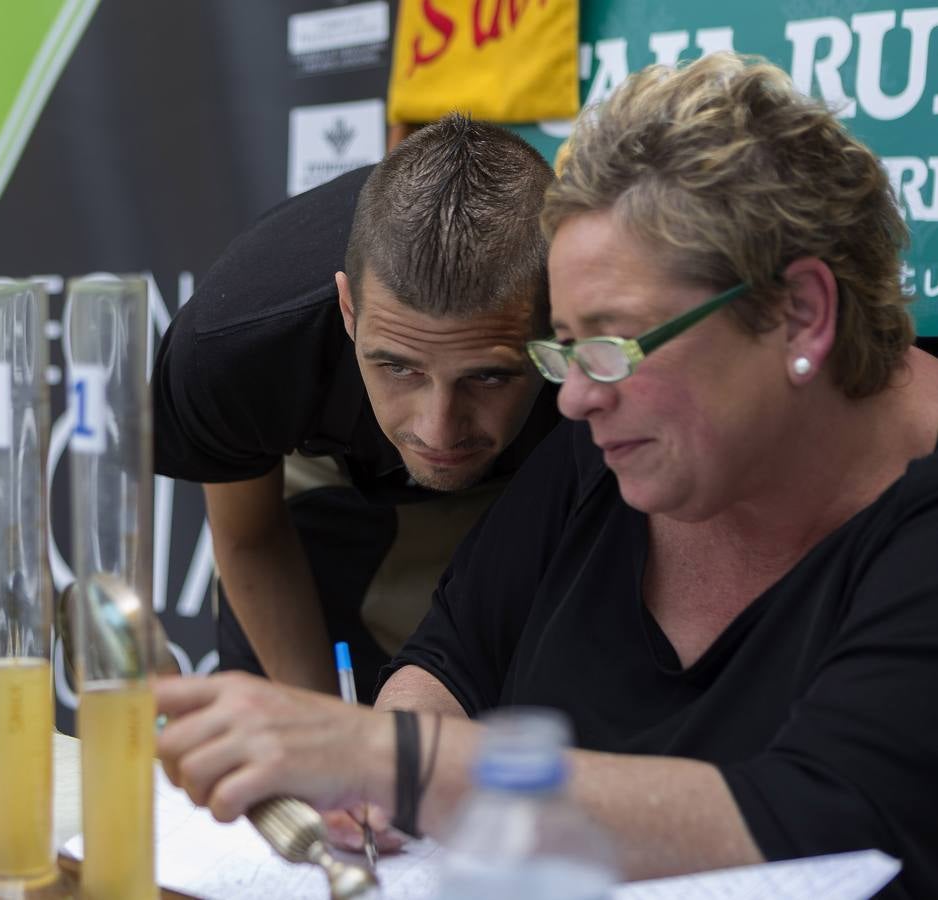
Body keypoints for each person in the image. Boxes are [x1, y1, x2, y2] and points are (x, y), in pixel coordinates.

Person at [154, 53, 938, 898]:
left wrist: (393, 759)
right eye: (563, 349)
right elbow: (457, 653)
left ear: (802, 313)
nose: (572, 401)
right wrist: (381, 765)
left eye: (615, 341)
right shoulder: (616, 447)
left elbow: (837, 820)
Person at [153, 115, 558, 701]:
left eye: (488, 375)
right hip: (324, 473)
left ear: (561, 321)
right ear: (348, 308)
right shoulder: (239, 341)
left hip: (533, 476)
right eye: (398, 366)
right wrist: (321, 738)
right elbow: (250, 540)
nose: (436, 426)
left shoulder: (615, 330)